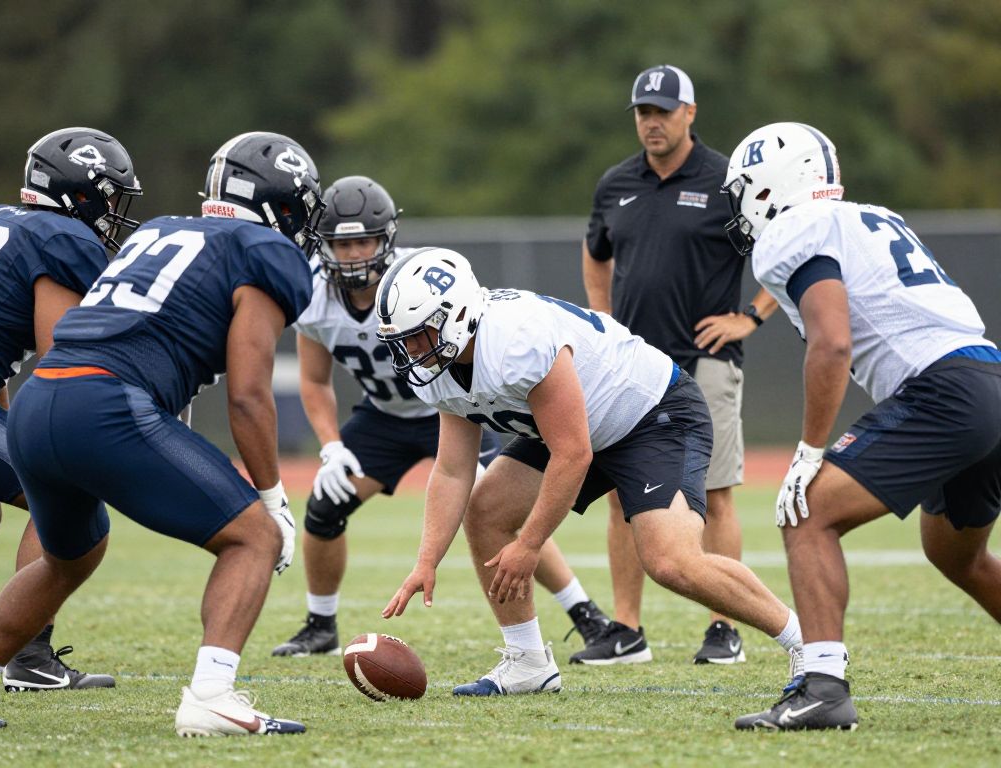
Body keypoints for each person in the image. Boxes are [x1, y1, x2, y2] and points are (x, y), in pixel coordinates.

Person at [0, 131, 321, 736]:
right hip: (101, 403)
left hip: (39, 404)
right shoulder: (268, 253)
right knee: (253, 539)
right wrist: (273, 500)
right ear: (284, 207)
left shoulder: (158, 229)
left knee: (70, 555)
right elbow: (247, 395)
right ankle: (213, 696)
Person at [376, 247, 805, 696]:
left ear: (456, 314)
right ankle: (528, 663)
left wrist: (530, 544)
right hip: (575, 425)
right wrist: (426, 561)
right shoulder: (440, 366)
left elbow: (573, 454)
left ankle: (806, 642)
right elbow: (451, 471)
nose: (410, 351)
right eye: (402, 340)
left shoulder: (516, 340)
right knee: (486, 510)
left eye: (418, 335)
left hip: (649, 412)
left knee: (671, 561)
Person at [723, 122, 1001, 731]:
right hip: (987, 376)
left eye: (744, 189)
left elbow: (832, 344)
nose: (741, 206)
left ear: (771, 185)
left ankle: (823, 687)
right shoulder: (869, 215)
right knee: (956, 554)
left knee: (806, 510)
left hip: (944, 390)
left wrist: (808, 450)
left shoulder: (793, 231)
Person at [272, 176, 611, 658]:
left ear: (386, 238)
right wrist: (331, 446)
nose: (351, 255)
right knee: (325, 509)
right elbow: (314, 381)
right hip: (385, 415)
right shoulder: (313, 296)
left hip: (457, 410)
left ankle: (584, 611)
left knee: (494, 508)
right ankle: (319, 624)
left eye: (362, 241)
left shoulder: (417, 278)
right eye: (339, 243)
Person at [581, 64, 779, 666]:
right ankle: (626, 629)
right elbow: (595, 254)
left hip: (705, 360)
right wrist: (603, 320)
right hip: (631, 367)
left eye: (663, 111)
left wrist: (752, 315)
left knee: (715, 495)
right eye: (643, 112)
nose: (652, 122)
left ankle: (725, 627)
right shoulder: (616, 182)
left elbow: (783, 245)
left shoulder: (727, 179)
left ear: (690, 113)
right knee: (619, 495)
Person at [0, 127, 143, 706]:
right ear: (85, 193)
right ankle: (28, 655)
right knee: (67, 494)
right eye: (113, 198)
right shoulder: (62, 237)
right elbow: (58, 363)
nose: (114, 214)